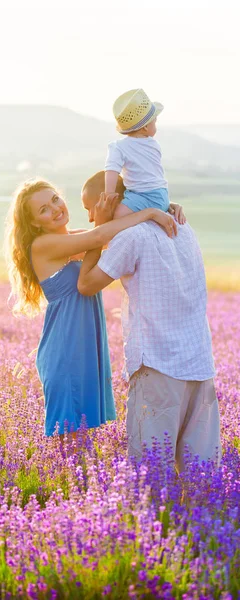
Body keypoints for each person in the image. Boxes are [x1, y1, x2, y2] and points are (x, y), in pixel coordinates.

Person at [5, 178, 176, 443]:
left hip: (82, 346)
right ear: (35, 224)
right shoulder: (43, 246)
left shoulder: (74, 238)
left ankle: (77, 483)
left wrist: (165, 207)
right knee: (70, 441)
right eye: (44, 210)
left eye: (54, 199)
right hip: (65, 348)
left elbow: (112, 232)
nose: (55, 208)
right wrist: (152, 213)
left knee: (81, 436)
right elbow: (100, 236)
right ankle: (67, 484)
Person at [79, 171, 221, 472]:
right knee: (202, 476)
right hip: (199, 364)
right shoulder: (183, 226)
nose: (90, 217)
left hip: (157, 366)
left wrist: (101, 229)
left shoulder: (131, 237)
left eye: (91, 207)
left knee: (151, 477)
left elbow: (87, 284)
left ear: (109, 200)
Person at [105, 88, 170, 220]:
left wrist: (109, 195)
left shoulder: (118, 147)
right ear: (145, 127)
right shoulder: (154, 144)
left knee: (117, 217)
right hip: (162, 196)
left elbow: (111, 170)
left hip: (142, 196)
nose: (156, 125)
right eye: (155, 122)